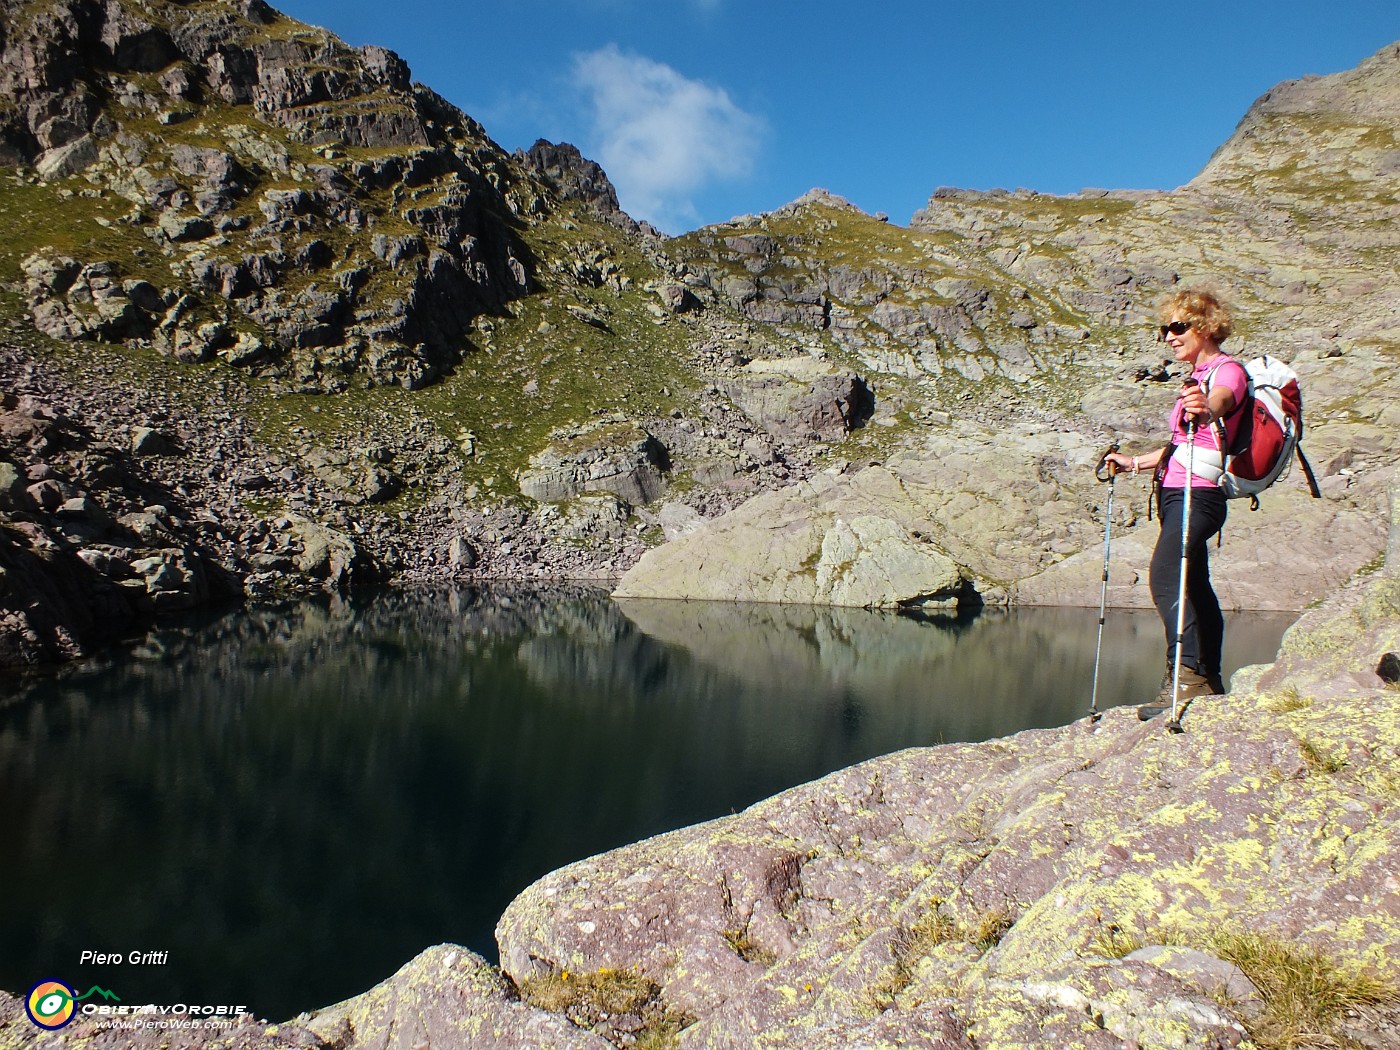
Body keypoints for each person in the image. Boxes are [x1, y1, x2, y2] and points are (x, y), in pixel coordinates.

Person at [1105, 289, 1249, 709]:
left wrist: (1207, 407)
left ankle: (1185, 680)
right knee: (1196, 586)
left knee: (1166, 575)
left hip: (1197, 496)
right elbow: (1179, 445)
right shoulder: (1197, 378)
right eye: (1165, 329)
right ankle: (1209, 680)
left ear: (1204, 326)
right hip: (1177, 494)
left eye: (1177, 327)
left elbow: (1222, 401)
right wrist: (1132, 463)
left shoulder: (1225, 372)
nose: (1169, 336)